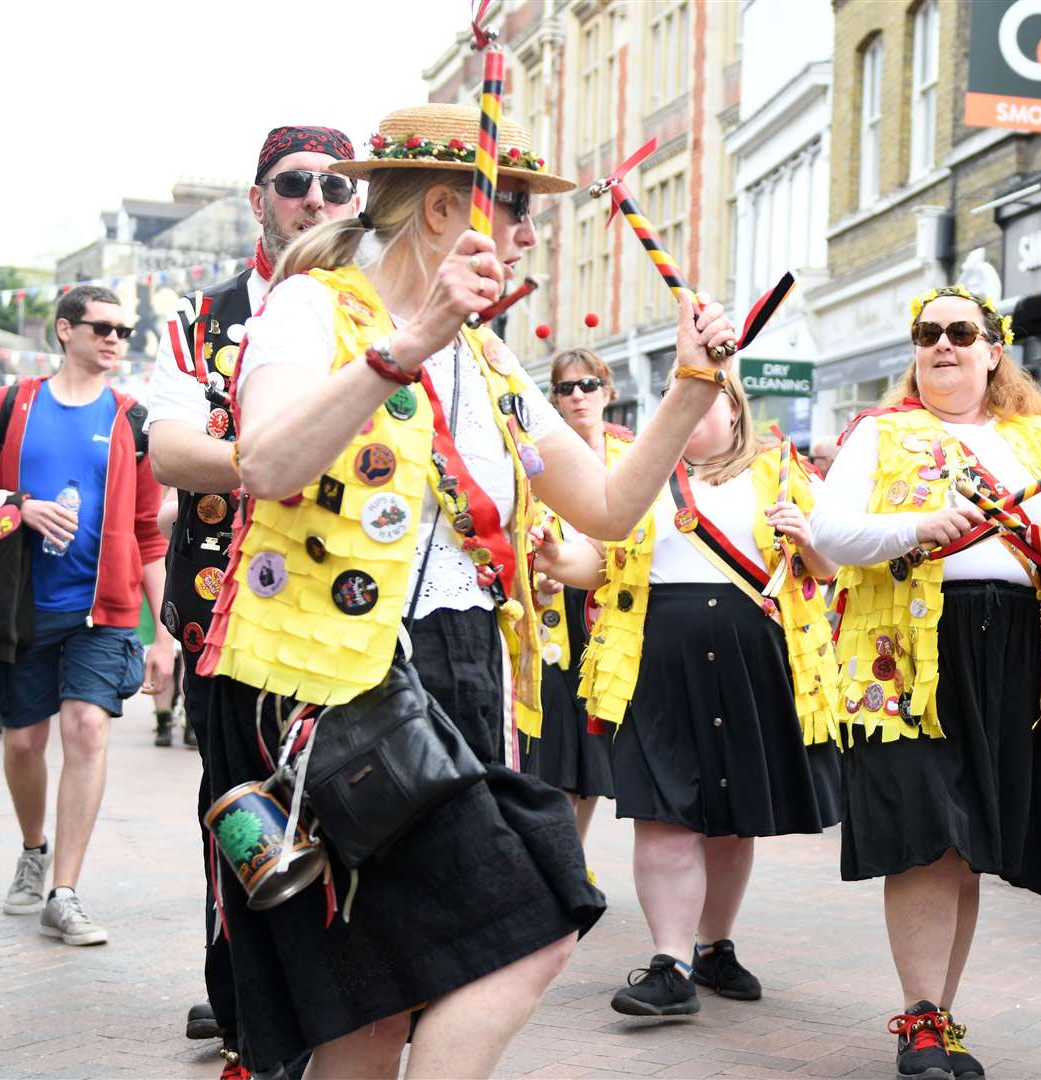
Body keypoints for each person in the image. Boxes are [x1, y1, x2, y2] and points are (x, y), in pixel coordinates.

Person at [193, 103, 737, 1078]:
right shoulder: (309, 307)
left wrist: (691, 391)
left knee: (384, 993)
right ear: (445, 209)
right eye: (518, 210)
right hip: (328, 686)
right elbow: (266, 463)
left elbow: (607, 506)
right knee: (499, 938)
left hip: (457, 673)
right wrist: (408, 342)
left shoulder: (487, 359)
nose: (531, 236)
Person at [810, 285, 1041, 1080]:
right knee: (927, 831)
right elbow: (831, 532)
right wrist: (915, 528)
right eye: (926, 333)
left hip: (1013, 650)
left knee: (971, 839)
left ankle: (940, 1020)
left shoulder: (1038, 439)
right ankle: (917, 1016)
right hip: (907, 656)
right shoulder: (878, 435)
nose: (942, 344)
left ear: (992, 350)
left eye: (959, 332)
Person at [146, 123, 357, 1073]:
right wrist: (277, 454)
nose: (316, 198)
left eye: (335, 184)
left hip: (354, 615)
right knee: (241, 811)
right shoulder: (202, 315)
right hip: (224, 613)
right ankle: (245, 1008)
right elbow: (171, 450)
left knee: (353, 815)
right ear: (258, 198)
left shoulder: (382, 308)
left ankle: (339, 999)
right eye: (294, 182)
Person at [544, 368, 841, 1019]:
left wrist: (812, 544)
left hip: (755, 664)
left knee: (734, 819)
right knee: (663, 811)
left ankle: (714, 947)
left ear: (735, 410)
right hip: (658, 662)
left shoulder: (786, 473)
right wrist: (552, 556)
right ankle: (670, 962)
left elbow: (834, 570)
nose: (692, 415)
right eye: (682, 404)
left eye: (706, 403)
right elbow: (596, 563)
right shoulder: (642, 477)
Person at [0, 284, 173, 947]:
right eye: (102, 327)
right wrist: (21, 504)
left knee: (88, 730)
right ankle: (33, 846)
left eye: (124, 330)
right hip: (21, 610)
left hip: (101, 611)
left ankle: (64, 891)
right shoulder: (8, 408)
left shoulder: (135, 420)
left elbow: (148, 535)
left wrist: (165, 634)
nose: (115, 339)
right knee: (24, 743)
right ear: (65, 330)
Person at [518, 348, 625, 842]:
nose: (578, 396)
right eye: (565, 388)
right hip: (552, 624)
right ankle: (561, 861)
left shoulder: (631, 455)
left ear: (607, 390)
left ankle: (573, 858)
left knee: (593, 758)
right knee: (555, 755)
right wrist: (537, 579)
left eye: (588, 384)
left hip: (614, 625)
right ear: (553, 400)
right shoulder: (534, 462)